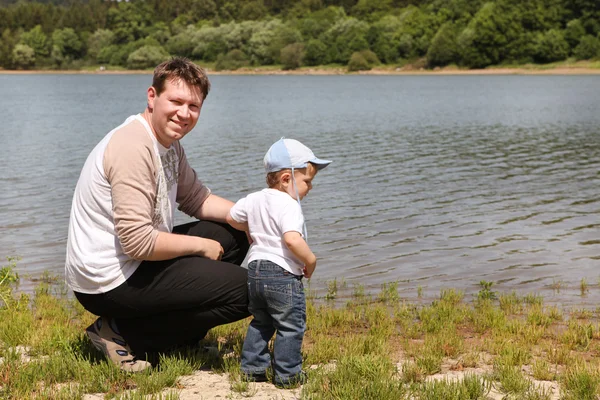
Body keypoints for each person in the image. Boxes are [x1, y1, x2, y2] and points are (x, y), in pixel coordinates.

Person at [65, 57, 250, 372]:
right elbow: (137, 243)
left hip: (134, 261)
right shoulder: (132, 147)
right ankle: (122, 333)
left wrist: (256, 220)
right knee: (252, 290)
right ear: (152, 97)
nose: (184, 113)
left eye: (194, 105)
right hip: (107, 280)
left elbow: (196, 198)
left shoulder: (169, 144)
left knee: (235, 234)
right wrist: (200, 247)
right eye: (176, 101)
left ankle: (174, 329)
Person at [226, 138, 331, 387]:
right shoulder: (289, 204)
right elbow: (292, 240)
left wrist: (249, 227)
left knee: (261, 321)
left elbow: (231, 217)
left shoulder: (253, 199)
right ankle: (287, 375)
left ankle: (252, 369)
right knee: (291, 325)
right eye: (307, 181)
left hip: (255, 271)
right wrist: (311, 260)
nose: (310, 188)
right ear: (286, 179)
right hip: (282, 274)